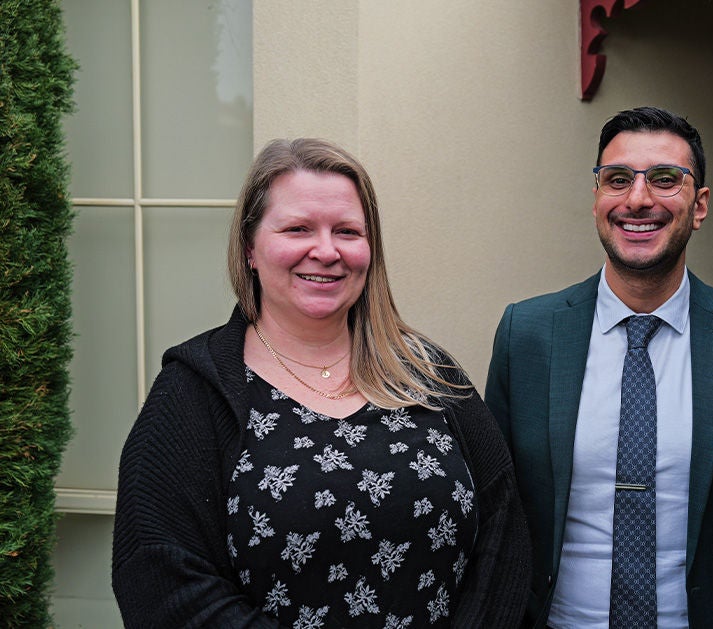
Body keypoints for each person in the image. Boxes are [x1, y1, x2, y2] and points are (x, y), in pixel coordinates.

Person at [112, 138, 530, 628]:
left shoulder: (427, 375)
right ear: (250, 248)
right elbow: (161, 578)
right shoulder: (194, 391)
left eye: (348, 231)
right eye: (298, 229)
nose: (327, 251)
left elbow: (504, 533)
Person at [485, 107, 713, 628]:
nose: (638, 199)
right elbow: (495, 521)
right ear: (597, 199)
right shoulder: (527, 336)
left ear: (699, 204)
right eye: (617, 180)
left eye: (665, 180)